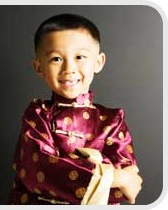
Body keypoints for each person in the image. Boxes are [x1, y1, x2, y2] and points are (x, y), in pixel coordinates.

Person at [8, 13, 142, 205]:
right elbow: (37, 171)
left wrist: (64, 165)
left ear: (98, 62)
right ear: (38, 67)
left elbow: (127, 189)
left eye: (80, 56)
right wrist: (113, 176)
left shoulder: (112, 120)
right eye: (56, 59)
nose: (69, 68)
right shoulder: (37, 116)